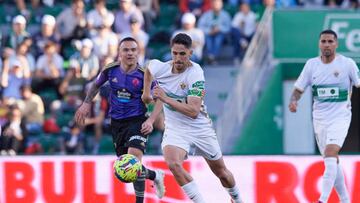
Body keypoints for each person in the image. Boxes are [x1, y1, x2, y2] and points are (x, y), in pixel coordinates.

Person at [141, 33, 243, 203]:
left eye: (182, 54)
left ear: (190, 53)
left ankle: (237, 199)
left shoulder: (195, 73)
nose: (178, 58)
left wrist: (165, 98)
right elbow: (148, 69)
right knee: (173, 163)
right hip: (175, 129)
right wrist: (146, 94)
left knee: (222, 173)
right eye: (174, 53)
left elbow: (193, 111)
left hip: (199, 128)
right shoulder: (161, 68)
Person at [74, 37, 165, 202]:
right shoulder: (110, 70)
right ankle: (154, 174)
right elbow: (95, 85)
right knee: (126, 170)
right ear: (119, 53)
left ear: (138, 53)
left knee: (133, 161)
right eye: (126, 50)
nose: (130, 53)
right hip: (116, 123)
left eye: (133, 50)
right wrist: (86, 103)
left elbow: (160, 98)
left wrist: (151, 120)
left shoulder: (145, 75)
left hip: (138, 121)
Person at [288, 29, 359, 203]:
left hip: (340, 116)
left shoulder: (347, 64)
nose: (326, 45)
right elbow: (299, 88)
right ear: (319, 44)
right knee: (332, 161)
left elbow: (358, 84)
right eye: (323, 41)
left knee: (330, 152)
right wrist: (294, 101)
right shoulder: (312, 65)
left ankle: (323, 199)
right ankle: (345, 200)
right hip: (319, 118)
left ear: (336, 44)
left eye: (330, 42)